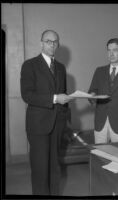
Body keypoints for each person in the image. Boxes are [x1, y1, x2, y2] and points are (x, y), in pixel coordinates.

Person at [20, 29, 73, 195]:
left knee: (55, 169)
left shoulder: (61, 68)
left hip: (57, 125)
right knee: (40, 170)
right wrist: (56, 98)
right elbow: (27, 95)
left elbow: (63, 96)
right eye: (48, 41)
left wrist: (66, 122)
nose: (52, 44)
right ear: (41, 43)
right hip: (38, 126)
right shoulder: (29, 65)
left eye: (55, 41)